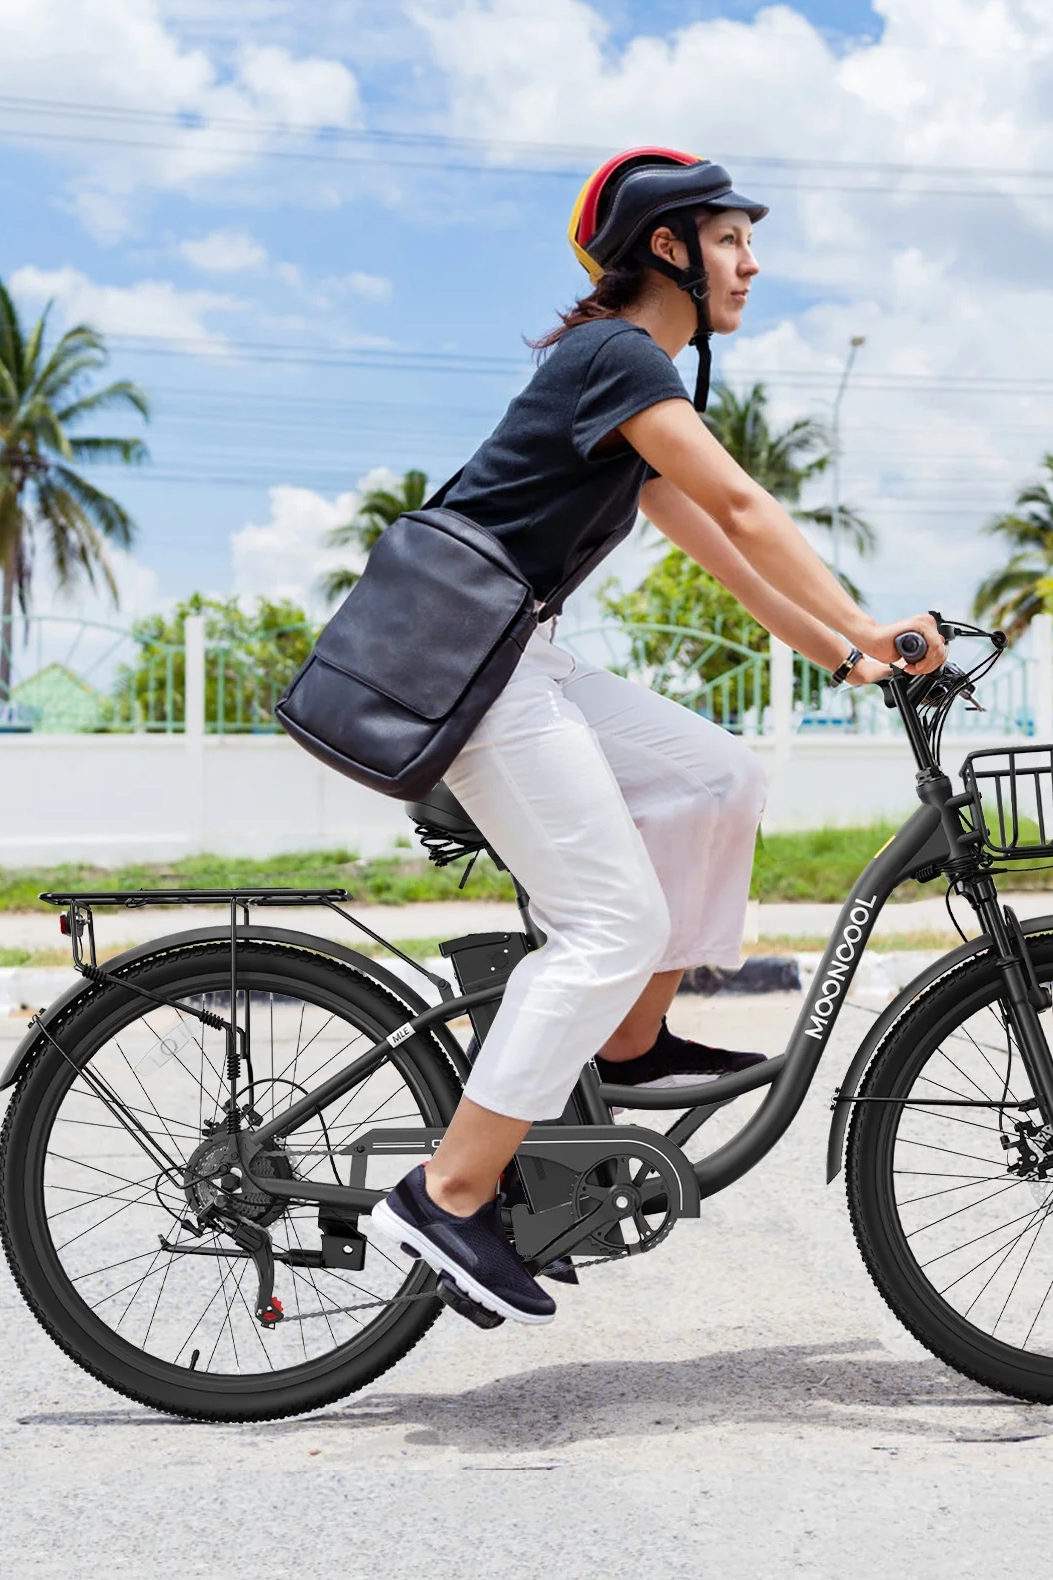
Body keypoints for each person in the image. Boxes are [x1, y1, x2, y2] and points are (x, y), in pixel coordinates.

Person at [365, 148, 946, 1326]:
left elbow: (727, 557)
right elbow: (744, 505)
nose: (751, 262)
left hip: (519, 655)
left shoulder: (629, 386)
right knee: (610, 921)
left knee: (717, 777)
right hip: (473, 667)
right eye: (731, 239)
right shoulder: (615, 358)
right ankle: (446, 1193)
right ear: (667, 248)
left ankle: (630, 1046)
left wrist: (848, 654)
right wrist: (867, 619)